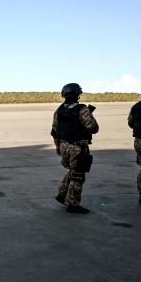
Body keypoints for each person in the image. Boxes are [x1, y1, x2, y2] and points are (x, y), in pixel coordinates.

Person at [51, 83, 99, 214]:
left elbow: (54, 131)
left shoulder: (59, 110)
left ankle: (62, 194)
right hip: (78, 147)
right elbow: (94, 128)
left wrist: (58, 147)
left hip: (64, 145)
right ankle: (73, 204)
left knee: (73, 170)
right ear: (78, 94)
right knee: (78, 175)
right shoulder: (82, 109)